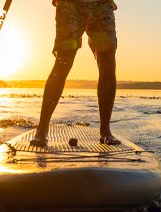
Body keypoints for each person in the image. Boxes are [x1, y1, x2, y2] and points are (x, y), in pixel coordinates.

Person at [31, 0, 121, 146]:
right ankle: (42, 129)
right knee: (63, 61)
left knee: (107, 60)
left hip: (101, 4)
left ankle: (105, 130)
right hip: (69, 4)